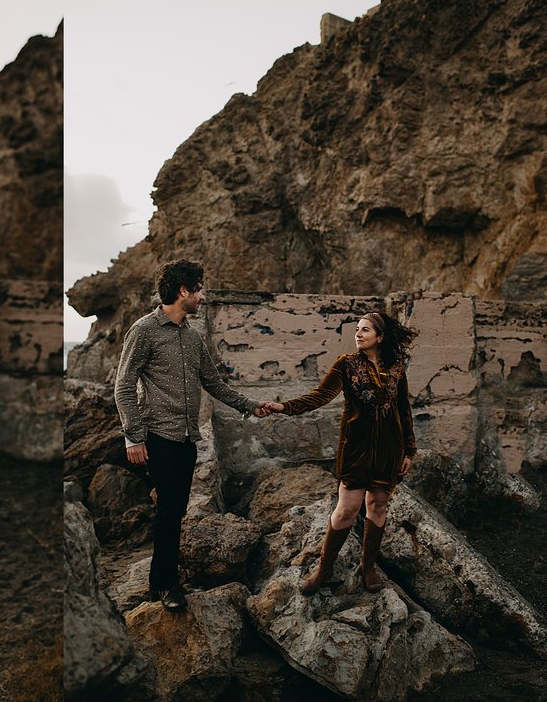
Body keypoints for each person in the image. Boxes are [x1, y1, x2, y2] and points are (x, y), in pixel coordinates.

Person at [114, 259, 269, 612]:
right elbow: (123, 386)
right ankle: (165, 586)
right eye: (198, 288)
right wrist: (133, 437)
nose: (203, 295)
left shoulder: (192, 337)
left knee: (176, 509)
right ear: (183, 291)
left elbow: (213, 382)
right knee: (169, 509)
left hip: (187, 438)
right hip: (157, 435)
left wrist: (251, 405)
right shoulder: (144, 331)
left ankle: (163, 581)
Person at [262, 311, 418, 595]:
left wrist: (409, 450)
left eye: (365, 330)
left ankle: (367, 568)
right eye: (357, 329)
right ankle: (324, 569)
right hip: (355, 448)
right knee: (347, 509)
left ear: (380, 338)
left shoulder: (396, 369)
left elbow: (403, 410)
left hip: (388, 450)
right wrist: (284, 407)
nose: (358, 334)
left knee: (378, 506)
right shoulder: (346, 365)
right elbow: (320, 396)